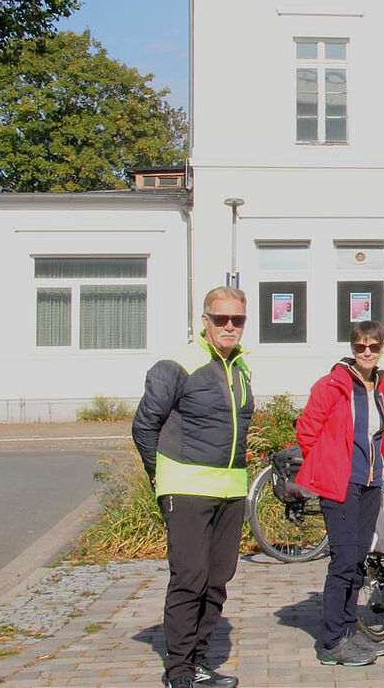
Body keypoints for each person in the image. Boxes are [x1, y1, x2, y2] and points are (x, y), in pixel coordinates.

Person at [131, 286, 252, 688]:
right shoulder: (177, 364)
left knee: (218, 579)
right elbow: (144, 426)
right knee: (189, 578)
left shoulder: (241, 367)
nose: (230, 326)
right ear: (205, 321)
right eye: (221, 319)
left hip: (230, 489)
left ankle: (199, 661)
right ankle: (179, 672)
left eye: (237, 319)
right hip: (186, 488)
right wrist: (161, 476)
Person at [295, 320, 384, 668]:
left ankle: (350, 629)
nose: (366, 352)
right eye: (360, 346)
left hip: (369, 482)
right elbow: (307, 430)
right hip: (340, 483)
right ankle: (332, 640)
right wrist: (327, 466)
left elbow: (378, 434)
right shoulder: (332, 385)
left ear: (381, 348)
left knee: (357, 560)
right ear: (352, 349)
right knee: (343, 560)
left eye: (373, 346)